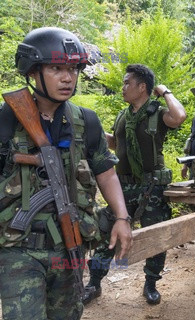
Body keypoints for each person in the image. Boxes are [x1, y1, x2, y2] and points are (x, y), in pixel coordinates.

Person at [0, 27, 132, 320]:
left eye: (73, 69)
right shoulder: (5, 120)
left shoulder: (86, 121)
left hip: (69, 245)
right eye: (56, 68)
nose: (67, 77)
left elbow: (106, 172)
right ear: (33, 72)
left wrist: (121, 217)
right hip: (17, 251)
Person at [83, 64, 186, 305]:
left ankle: (150, 284)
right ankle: (94, 283)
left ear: (142, 87)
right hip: (123, 186)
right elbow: (116, 144)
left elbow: (179, 117)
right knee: (107, 233)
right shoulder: (123, 116)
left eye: (127, 83)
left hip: (152, 188)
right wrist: (95, 135)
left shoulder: (158, 114)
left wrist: (165, 91)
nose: (122, 87)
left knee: (155, 237)